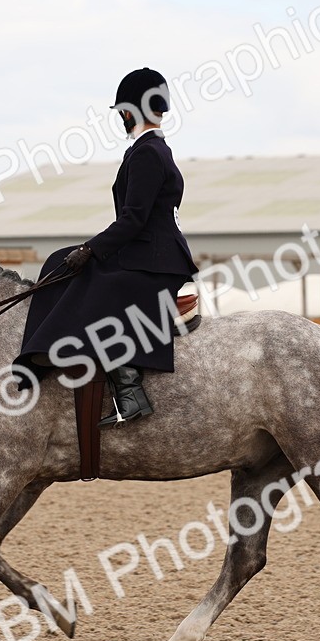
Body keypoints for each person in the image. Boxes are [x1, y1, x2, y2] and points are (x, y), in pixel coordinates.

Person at [14, 68, 198, 429]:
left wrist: (90, 249)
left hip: (155, 262)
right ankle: (44, 352)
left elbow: (133, 220)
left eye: (121, 112)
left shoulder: (147, 153)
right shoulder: (154, 149)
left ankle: (129, 391)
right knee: (58, 262)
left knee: (94, 288)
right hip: (150, 254)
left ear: (130, 112)